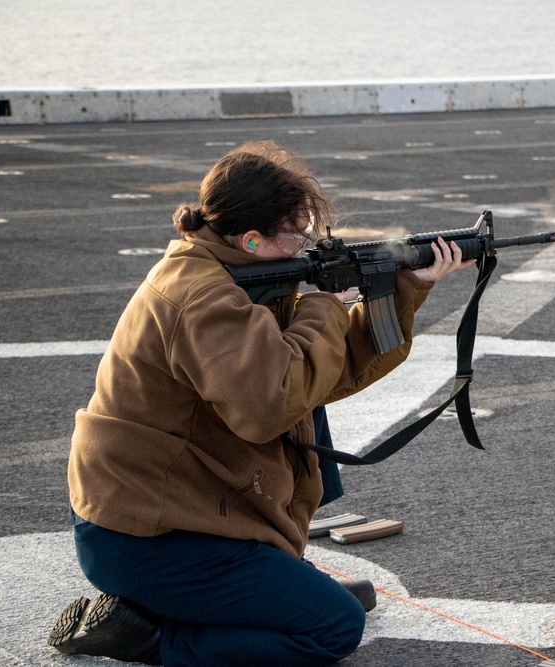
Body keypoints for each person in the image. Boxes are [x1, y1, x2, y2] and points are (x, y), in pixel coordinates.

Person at [47, 140, 473, 666]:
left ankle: (237, 589)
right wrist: (326, 304)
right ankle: (146, 635)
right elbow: (272, 404)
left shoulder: (241, 274)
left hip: (187, 509)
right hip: (147, 537)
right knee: (334, 626)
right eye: (297, 233)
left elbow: (319, 378)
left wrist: (407, 284)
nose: (308, 244)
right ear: (250, 239)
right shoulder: (203, 297)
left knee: (333, 600)